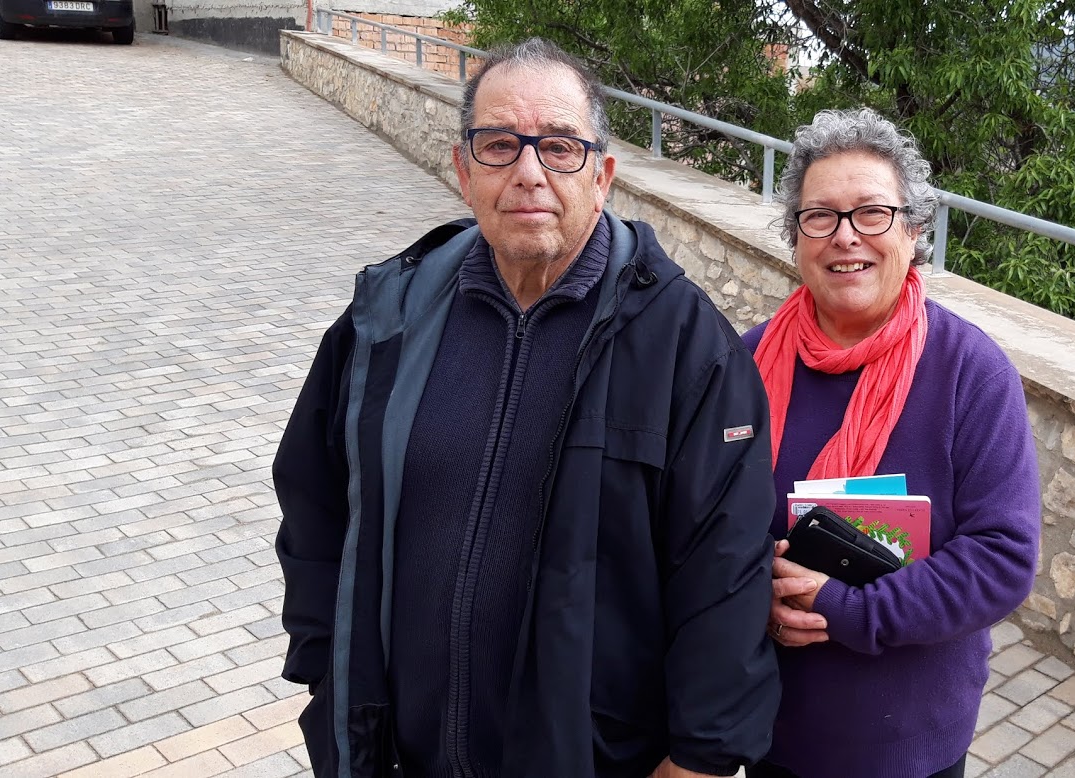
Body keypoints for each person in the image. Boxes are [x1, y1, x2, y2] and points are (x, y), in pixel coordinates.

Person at [273, 37, 780, 778]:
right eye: (500, 145)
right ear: (463, 169)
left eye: (561, 147)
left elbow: (724, 572)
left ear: (602, 177)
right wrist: (328, 664)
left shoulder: (685, 345)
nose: (529, 173)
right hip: (398, 754)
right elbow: (314, 499)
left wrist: (699, 759)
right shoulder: (389, 319)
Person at [745, 108, 1042, 778]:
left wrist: (848, 609)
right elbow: (697, 521)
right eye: (820, 216)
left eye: (872, 213)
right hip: (770, 722)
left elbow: (1002, 557)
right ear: (796, 236)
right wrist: (754, 592)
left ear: (913, 230)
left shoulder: (970, 372)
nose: (845, 236)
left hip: (909, 740)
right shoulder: (746, 363)